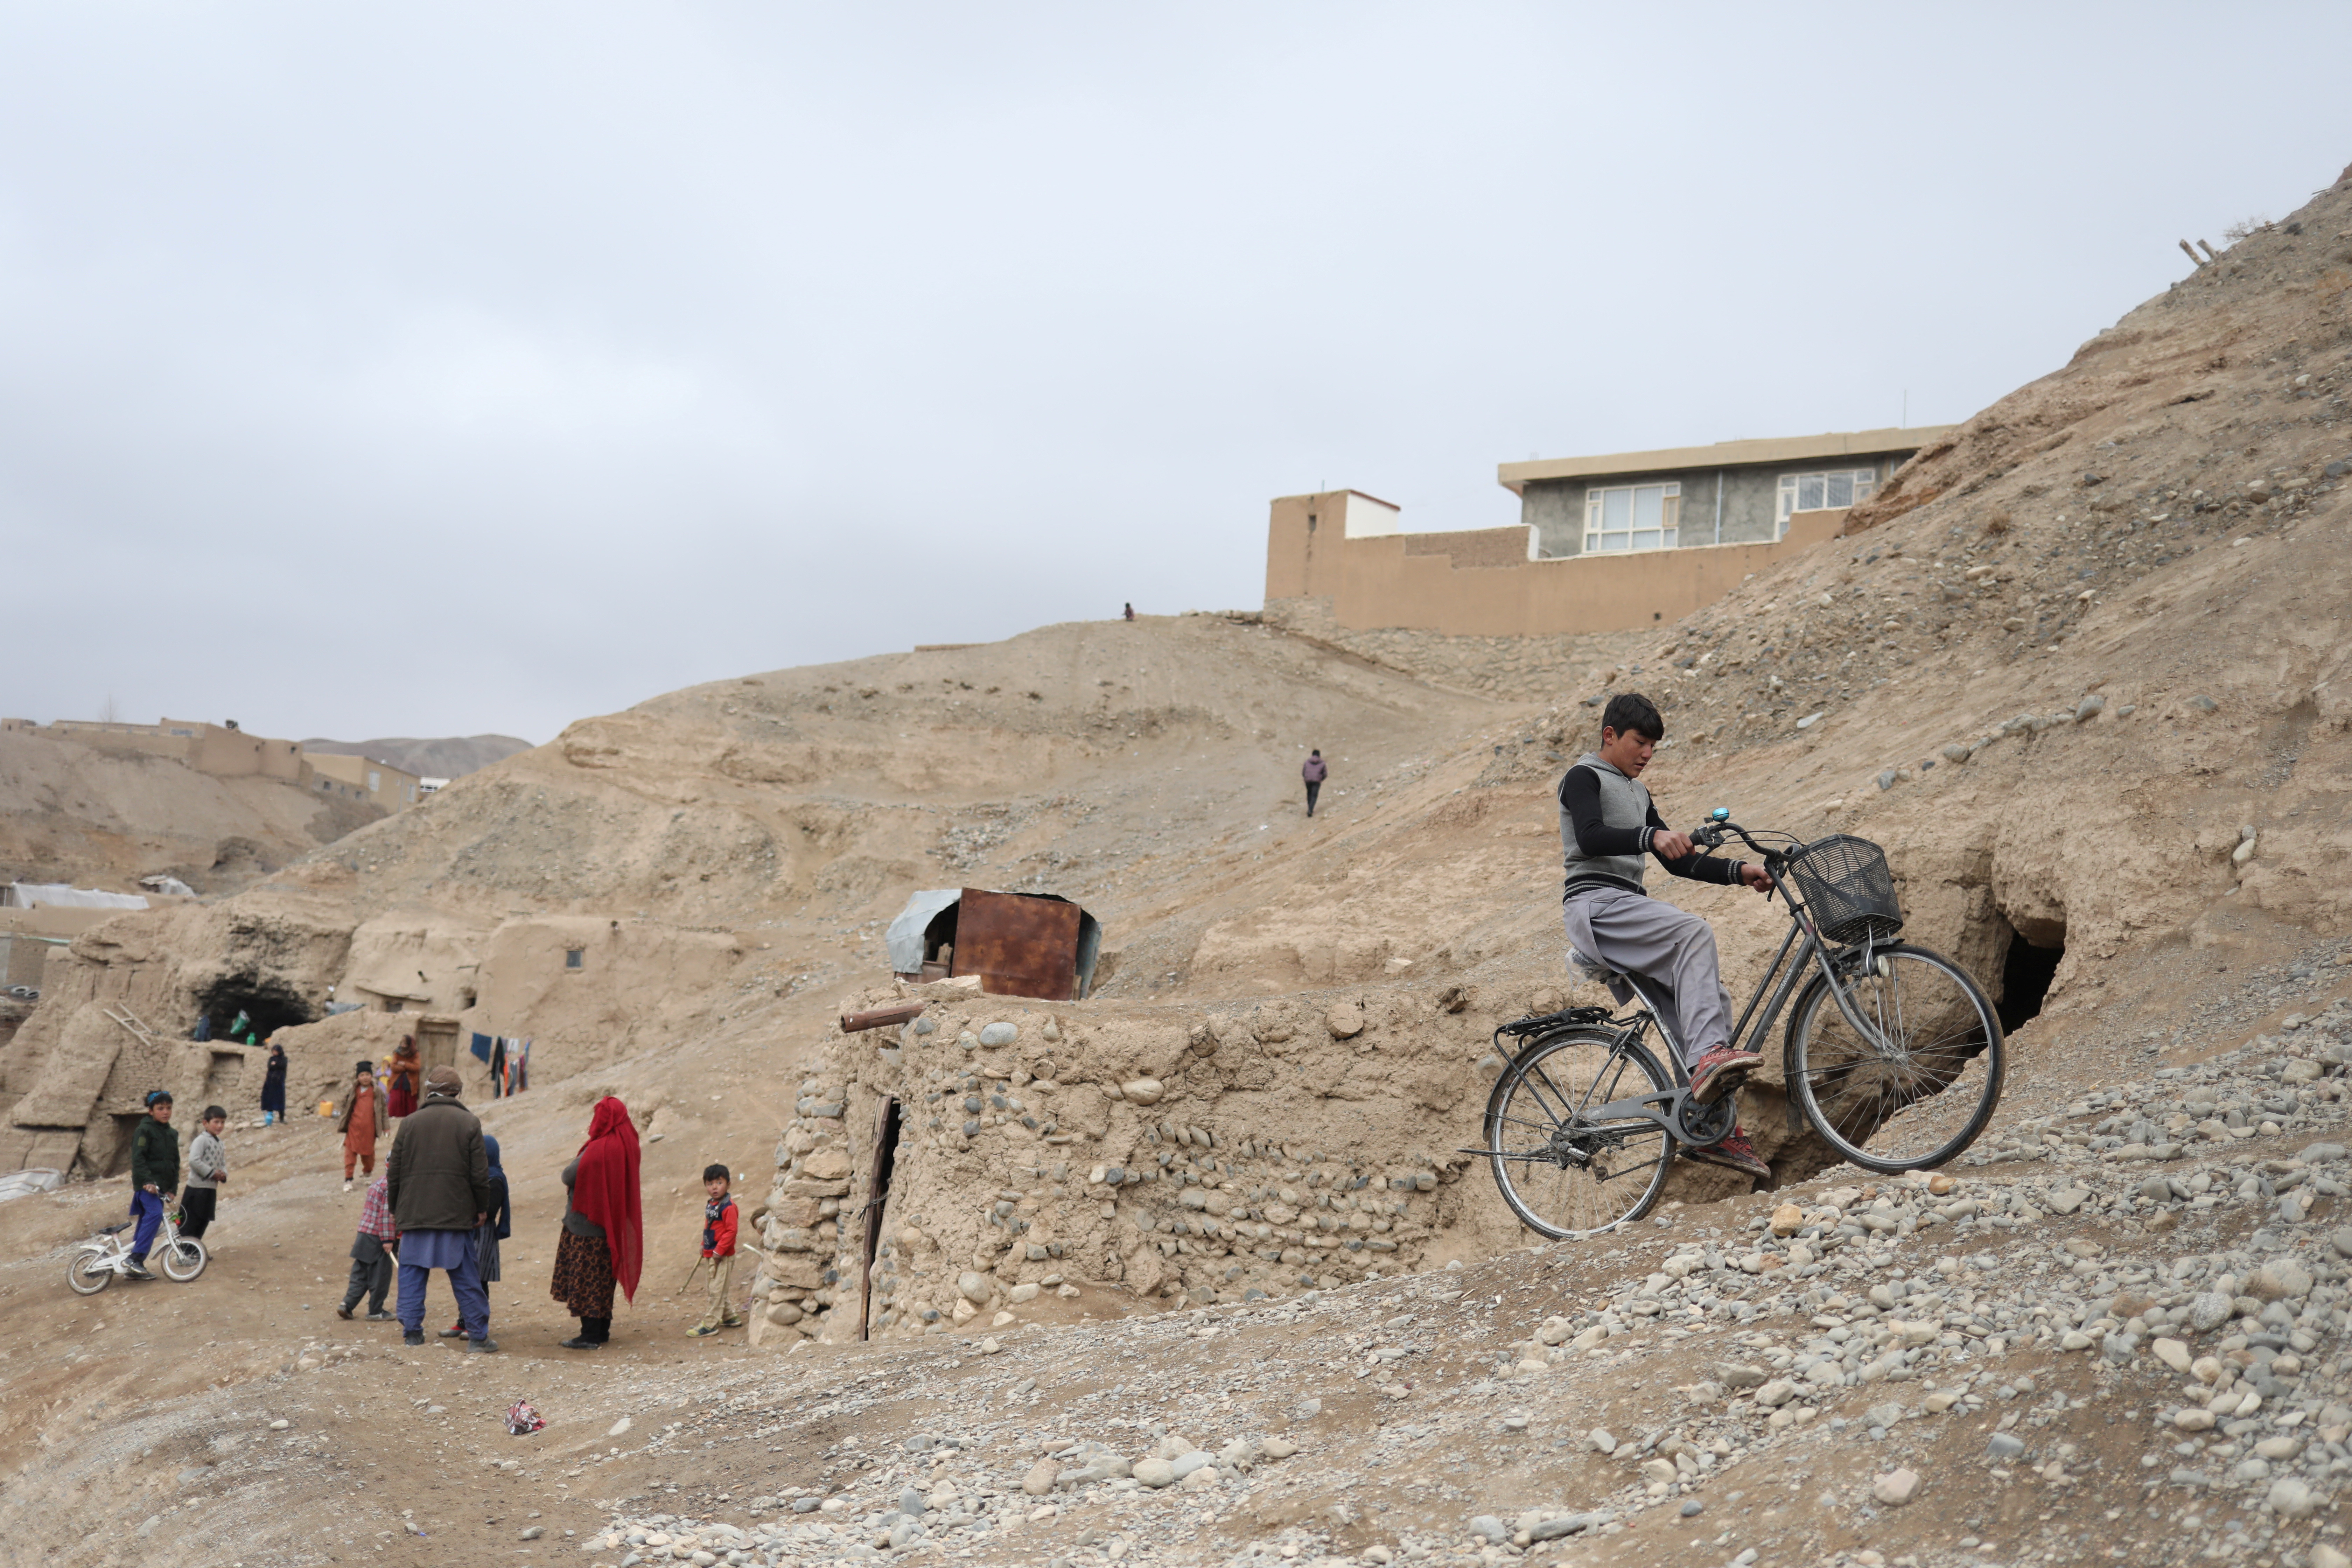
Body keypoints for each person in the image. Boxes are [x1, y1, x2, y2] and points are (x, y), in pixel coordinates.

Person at [1558, 692, 1775, 1180]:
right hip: (1598, 904)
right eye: (1640, 742)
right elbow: (1591, 836)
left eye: (1654, 746)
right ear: (1609, 736)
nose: (1648, 754)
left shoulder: (1638, 793)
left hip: (1628, 908)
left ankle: (1705, 1126)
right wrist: (1649, 836)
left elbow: (1678, 863)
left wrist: (1741, 870)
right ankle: (1707, 1063)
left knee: (1708, 1002)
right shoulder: (1583, 776)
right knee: (1692, 932)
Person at [385, 1065, 495, 1352]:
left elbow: (394, 1171)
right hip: (455, 1215)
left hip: (414, 1213)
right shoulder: (469, 1122)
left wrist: (396, 1207)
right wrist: (481, 1208)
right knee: (466, 1278)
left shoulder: (409, 1123)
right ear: (457, 1093)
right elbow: (479, 1175)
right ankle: (478, 1338)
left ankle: (412, 1333)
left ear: (429, 1091)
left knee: (411, 1275)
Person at [552, 1097, 643, 1350]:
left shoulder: (599, 1149)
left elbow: (568, 1175)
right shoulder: (628, 1143)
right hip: (611, 1227)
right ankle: (602, 1331)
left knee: (587, 1281)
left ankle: (589, 1336)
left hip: (586, 1227)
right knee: (603, 1279)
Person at [440, 1134, 510, 1338]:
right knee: (464, 1278)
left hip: (482, 1234)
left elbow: (488, 1210)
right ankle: (464, 1322)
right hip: (469, 1231)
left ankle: (476, 1324)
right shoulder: (477, 1175)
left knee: (478, 1281)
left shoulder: (495, 1178)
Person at [125, 1090, 178, 1280]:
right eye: (161, 1108)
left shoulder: (172, 1134)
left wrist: (173, 1188)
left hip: (161, 1189)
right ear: (151, 1111)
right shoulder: (144, 1130)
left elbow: (175, 1163)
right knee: (155, 1215)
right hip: (147, 1187)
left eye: (169, 1108)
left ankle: (132, 1267)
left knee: (147, 1221)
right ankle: (135, 1259)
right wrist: (147, 1181)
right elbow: (138, 1159)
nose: (166, 1112)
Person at [688, 1163, 744, 1337]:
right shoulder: (712, 1205)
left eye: (719, 1183)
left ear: (728, 1184)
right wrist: (703, 1244)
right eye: (710, 1184)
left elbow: (731, 1231)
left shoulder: (729, 1207)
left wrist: (719, 1251)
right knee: (715, 1287)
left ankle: (710, 1324)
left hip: (723, 1256)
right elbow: (709, 1226)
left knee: (716, 1290)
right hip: (711, 1253)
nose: (714, 1187)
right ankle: (730, 1317)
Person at [336, 1170, 400, 1321]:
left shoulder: (379, 1183)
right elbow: (386, 1215)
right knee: (380, 1276)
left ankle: (347, 1304)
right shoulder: (391, 1187)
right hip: (378, 1238)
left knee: (361, 1274)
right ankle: (376, 1311)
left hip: (364, 1235)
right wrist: (388, 1240)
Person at [336, 1060, 386, 1191]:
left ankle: (368, 1172)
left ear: (372, 1076)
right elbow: (345, 1104)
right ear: (358, 1077)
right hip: (354, 1128)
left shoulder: (377, 1092)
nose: (365, 1078)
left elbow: (384, 1110)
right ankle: (348, 1179)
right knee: (350, 1153)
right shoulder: (354, 1091)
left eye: (367, 1075)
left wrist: (386, 1127)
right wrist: (344, 1119)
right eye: (362, 1075)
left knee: (368, 1154)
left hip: (370, 1129)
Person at [181, 1105, 227, 1241]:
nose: (220, 1126)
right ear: (205, 1123)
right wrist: (213, 1174)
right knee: (190, 1222)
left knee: (203, 1221)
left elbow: (222, 1163)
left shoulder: (220, 1143)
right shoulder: (201, 1140)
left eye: (223, 1122)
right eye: (216, 1122)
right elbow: (194, 1161)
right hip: (197, 1189)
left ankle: (196, 1250)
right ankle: (185, 1252)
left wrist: (223, 1175)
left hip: (210, 1189)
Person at [385, 1037, 421, 1119]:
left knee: (410, 1107)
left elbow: (416, 1067)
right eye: (402, 1043)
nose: (403, 1045)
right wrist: (406, 1068)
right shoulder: (397, 1054)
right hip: (397, 1084)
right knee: (395, 1103)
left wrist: (404, 1064)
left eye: (405, 1043)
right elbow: (393, 1067)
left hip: (410, 1086)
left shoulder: (416, 1055)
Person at [259, 1042, 287, 1126]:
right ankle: (270, 1118)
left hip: (279, 1083)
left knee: (280, 1100)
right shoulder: (272, 1059)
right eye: (273, 1051)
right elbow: (270, 1067)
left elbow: (283, 1066)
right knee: (270, 1099)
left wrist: (276, 1065)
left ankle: (282, 1118)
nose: (274, 1053)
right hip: (270, 1083)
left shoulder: (284, 1059)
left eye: (276, 1051)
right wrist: (275, 1065)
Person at [1302, 749, 1327, 818]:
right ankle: (1310, 810)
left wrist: (1306, 778)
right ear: (1319, 755)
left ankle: (1309, 808)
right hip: (1317, 781)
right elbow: (1325, 774)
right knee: (1314, 795)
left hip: (1308, 780)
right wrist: (1321, 779)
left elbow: (1304, 772)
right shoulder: (1322, 763)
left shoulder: (1307, 762)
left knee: (1309, 794)